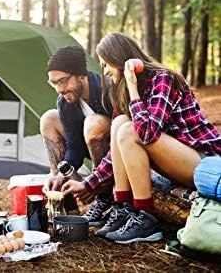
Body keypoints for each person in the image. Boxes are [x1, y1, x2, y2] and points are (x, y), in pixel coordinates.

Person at [62, 32, 221, 244]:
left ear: (119, 59)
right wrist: (89, 183)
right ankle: (124, 208)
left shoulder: (163, 79)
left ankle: (146, 218)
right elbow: (117, 147)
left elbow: (146, 133)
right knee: (120, 124)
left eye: (106, 64)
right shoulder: (124, 90)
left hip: (205, 164)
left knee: (130, 129)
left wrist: (132, 87)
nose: (106, 72)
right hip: (176, 161)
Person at [41, 45, 113, 224]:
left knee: (93, 123)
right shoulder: (65, 102)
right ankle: (65, 201)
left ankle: (106, 199)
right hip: (92, 149)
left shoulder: (108, 90)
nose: (60, 89)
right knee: (48, 118)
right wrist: (60, 174)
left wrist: (95, 182)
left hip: (120, 154)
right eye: (54, 83)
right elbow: (74, 147)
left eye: (63, 81)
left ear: (81, 75)